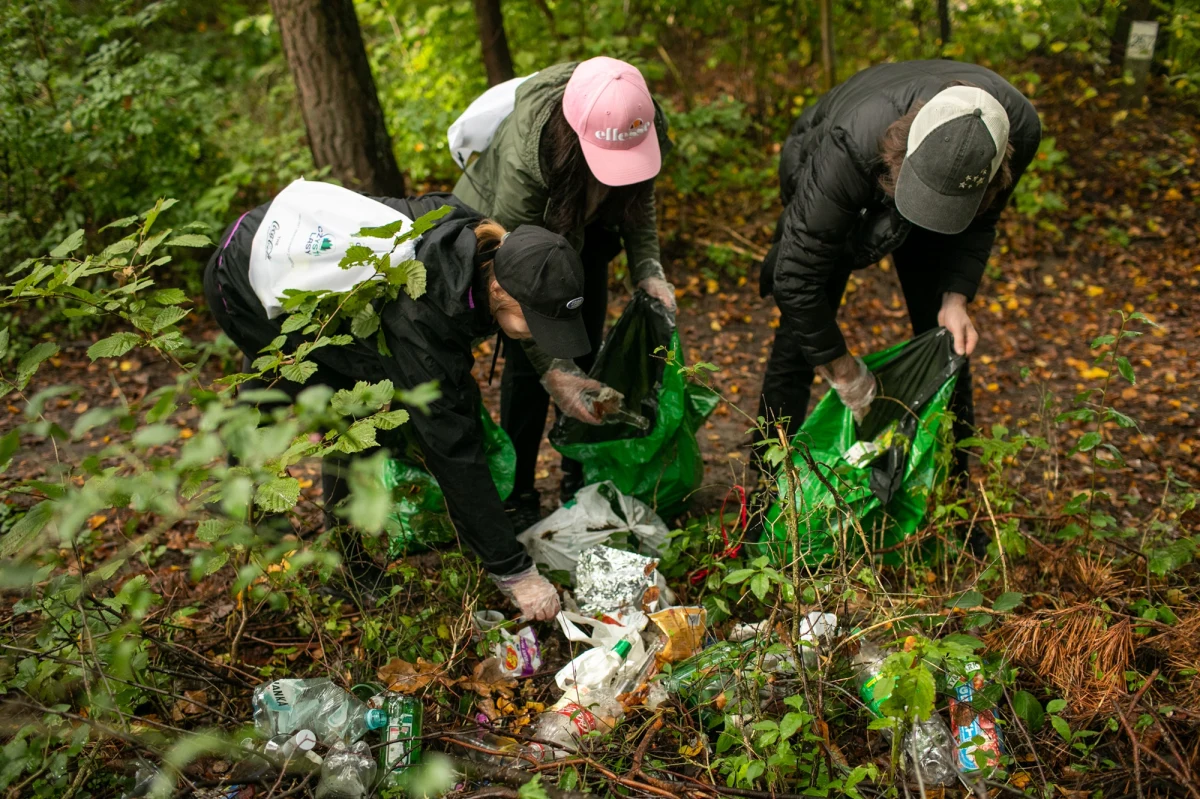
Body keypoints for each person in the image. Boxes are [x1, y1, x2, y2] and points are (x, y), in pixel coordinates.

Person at [203, 179, 584, 621]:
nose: (540, 336)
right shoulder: (422, 318)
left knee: (346, 395)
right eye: (535, 323)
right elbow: (453, 449)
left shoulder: (474, 236)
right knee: (344, 413)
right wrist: (514, 571)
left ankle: (336, 551)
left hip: (282, 242)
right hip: (242, 277)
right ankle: (291, 557)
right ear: (500, 291)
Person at [757, 60, 1042, 474]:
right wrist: (845, 373)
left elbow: (983, 219)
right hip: (829, 163)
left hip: (940, 180)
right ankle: (766, 482)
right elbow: (796, 277)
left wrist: (956, 296)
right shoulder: (849, 145)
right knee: (801, 332)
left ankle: (951, 490)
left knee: (946, 340)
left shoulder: (1021, 130)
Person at [453, 56, 675, 528]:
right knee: (530, 362)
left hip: (585, 228)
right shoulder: (527, 161)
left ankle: (580, 479)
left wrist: (648, 267)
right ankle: (517, 495)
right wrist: (553, 369)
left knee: (586, 348)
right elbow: (516, 283)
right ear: (575, 138)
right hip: (519, 233)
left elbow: (640, 198)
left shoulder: (640, 118)